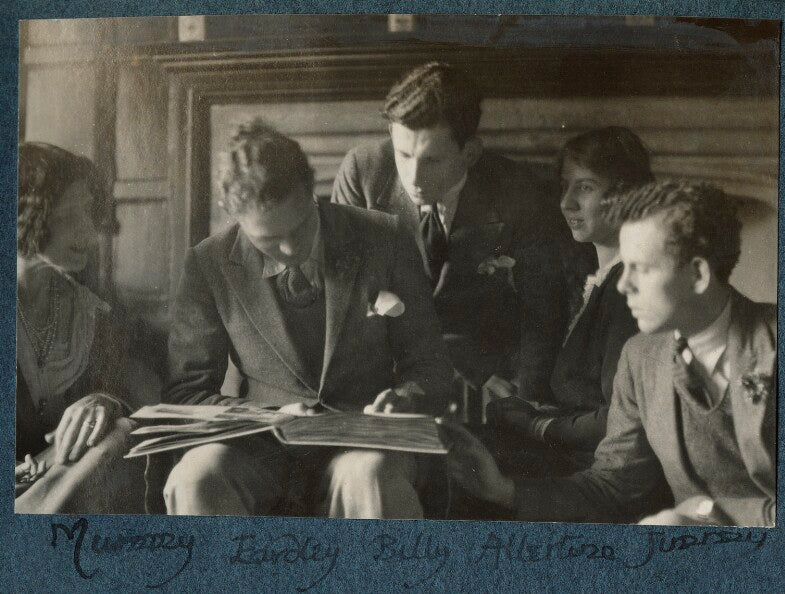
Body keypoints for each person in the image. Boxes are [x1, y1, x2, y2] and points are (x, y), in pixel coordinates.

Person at [158, 121, 452, 519]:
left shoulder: (385, 238)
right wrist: (269, 419)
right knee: (195, 478)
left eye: (300, 228)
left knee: (369, 474)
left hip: (362, 442)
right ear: (234, 215)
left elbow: (430, 363)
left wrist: (406, 397)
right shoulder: (208, 264)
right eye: (267, 240)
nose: (289, 249)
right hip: (260, 448)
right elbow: (187, 393)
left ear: (311, 189)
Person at [441, 180, 776, 526]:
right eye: (624, 265)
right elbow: (613, 487)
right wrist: (504, 490)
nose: (622, 284)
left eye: (641, 269)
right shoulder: (642, 358)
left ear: (698, 274)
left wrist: (707, 514)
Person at [331, 62, 574, 412]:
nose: (413, 177)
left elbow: (542, 309)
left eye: (431, 160)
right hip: (389, 374)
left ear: (470, 153)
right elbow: (346, 304)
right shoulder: (361, 173)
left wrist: (526, 401)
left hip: (490, 376)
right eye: (403, 154)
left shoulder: (517, 191)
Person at [488, 127, 650, 477]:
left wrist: (538, 426)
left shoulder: (630, 290)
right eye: (564, 186)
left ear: (627, 195)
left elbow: (620, 416)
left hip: (597, 471)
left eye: (585, 187)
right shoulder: (599, 278)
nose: (566, 203)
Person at [15, 142, 141, 513]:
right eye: (72, 217)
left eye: (91, 215)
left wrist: (104, 401)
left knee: (122, 433)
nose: (91, 234)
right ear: (25, 215)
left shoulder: (89, 312)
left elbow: (124, 390)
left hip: (60, 486)